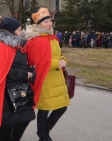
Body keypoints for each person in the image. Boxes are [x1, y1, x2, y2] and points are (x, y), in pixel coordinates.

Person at [25, 7, 70, 141]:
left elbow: (58, 55)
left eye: (50, 21)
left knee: (61, 107)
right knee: (44, 109)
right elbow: (38, 62)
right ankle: (43, 136)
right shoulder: (37, 40)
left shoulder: (52, 38)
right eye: (46, 22)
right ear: (38, 24)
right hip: (45, 79)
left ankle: (44, 132)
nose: (49, 24)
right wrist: (58, 64)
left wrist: (63, 60)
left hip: (56, 78)